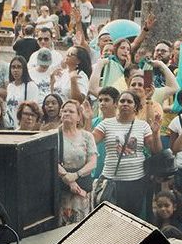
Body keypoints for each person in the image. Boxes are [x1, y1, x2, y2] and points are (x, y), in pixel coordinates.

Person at [93, 90, 161, 218]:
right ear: (117, 104)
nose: (125, 104)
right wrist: (86, 119)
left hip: (136, 182)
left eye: (129, 101)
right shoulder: (106, 124)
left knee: (131, 219)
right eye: (122, 101)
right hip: (111, 181)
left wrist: (156, 133)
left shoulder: (143, 126)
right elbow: (91, 142)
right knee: (109, 220)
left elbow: (156, 150)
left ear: (135, 106)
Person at [57, 100, 98, 225]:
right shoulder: (54, 135)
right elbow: (51, 161)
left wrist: (76, 175)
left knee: (81, 224)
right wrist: (68, 178)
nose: (67, 114)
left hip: (81, 187)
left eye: (71, 111)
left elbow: (93, 162)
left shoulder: (87, 136)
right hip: (62, 188)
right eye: (64, 111)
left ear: (79, 117)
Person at [5, 56, 39, 128]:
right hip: (9, 125)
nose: (15, 70)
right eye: (13, 67)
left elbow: (33, 110)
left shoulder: (31, 86)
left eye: (19, 67)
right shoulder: (10, 86)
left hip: (22, 126)